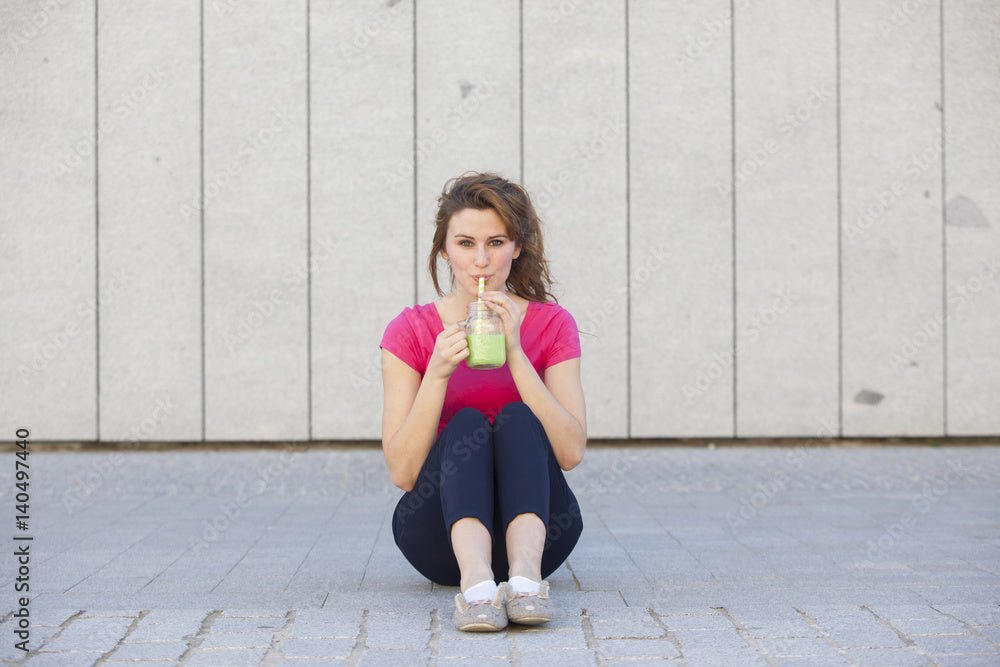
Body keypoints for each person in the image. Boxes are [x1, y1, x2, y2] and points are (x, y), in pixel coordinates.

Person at [378, 172, 587, 632]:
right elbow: (403, 471)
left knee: (516, 418)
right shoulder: (410, 331)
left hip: (542, 536)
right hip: (438, 539)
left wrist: (515, 355)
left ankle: (526, 583)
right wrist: (436, 374)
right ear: (444, 250)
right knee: (468, 422)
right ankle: (475, 587)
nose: (481, 261)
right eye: (466, 243)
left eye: (496, 242)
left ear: (517, 248)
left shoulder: (552, 325)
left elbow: (570, 452)